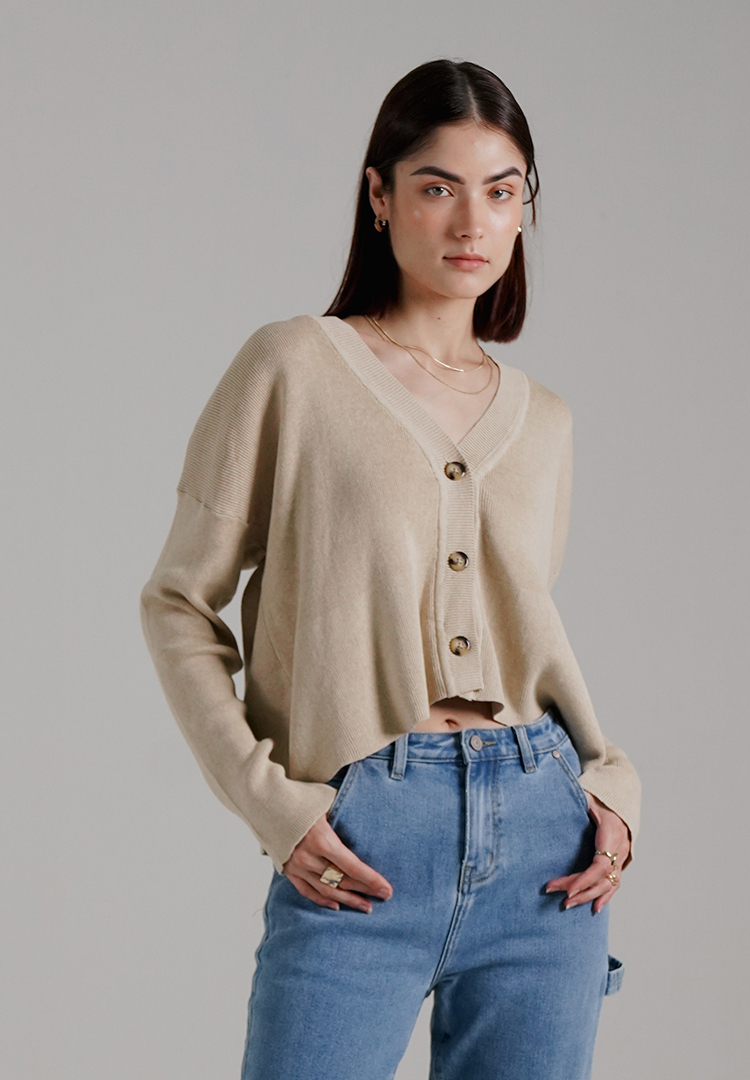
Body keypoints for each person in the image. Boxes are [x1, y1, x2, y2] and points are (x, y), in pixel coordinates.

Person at [140, 59, 641, 1080]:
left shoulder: (545, 421)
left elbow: (528, 636)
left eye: (501, 191)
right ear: (378, 194)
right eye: (436, 186)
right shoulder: (292, 366)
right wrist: (272, 803)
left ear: (524, 208)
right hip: (363, 832)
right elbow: (179, 603)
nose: (471, 221)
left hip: (545, 837)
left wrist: (613, 792)